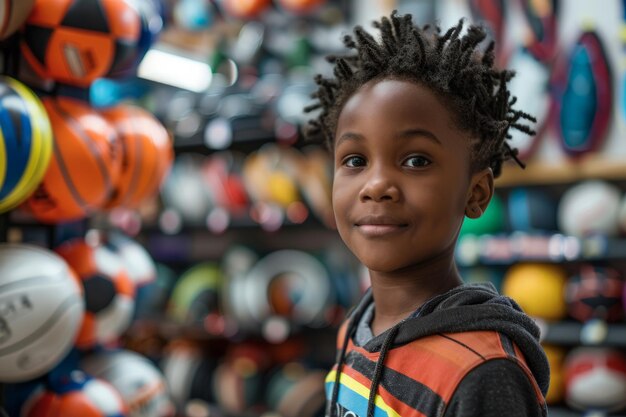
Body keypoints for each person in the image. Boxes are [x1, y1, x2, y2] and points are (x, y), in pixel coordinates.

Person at [304, 11, 550, 417]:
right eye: (355, 159)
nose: (375, 185)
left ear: (475, 193)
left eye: (416, 160)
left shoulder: (483, 373)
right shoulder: (357, 327)